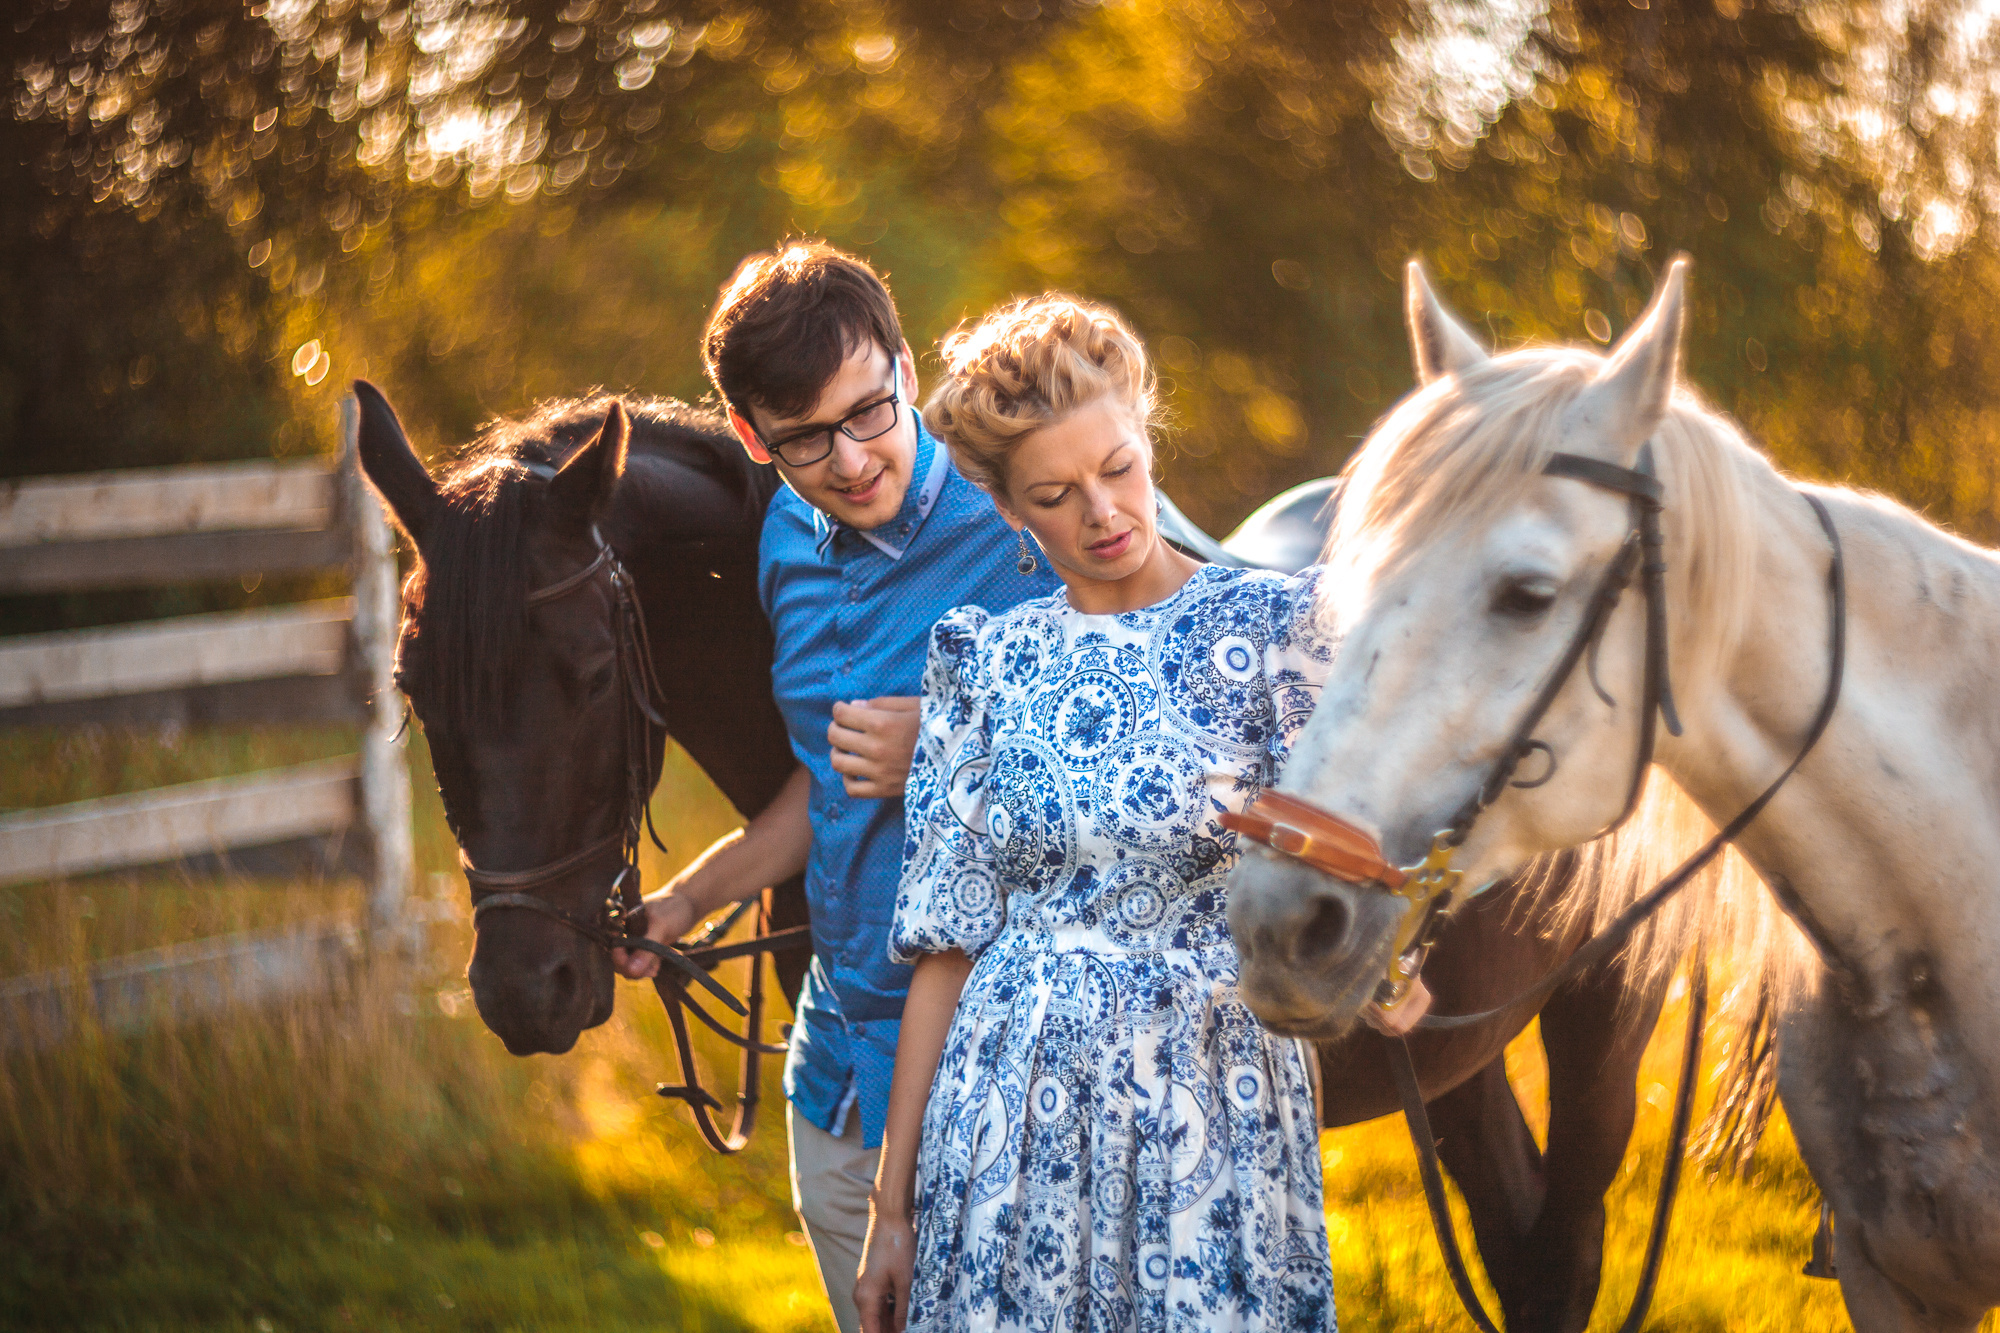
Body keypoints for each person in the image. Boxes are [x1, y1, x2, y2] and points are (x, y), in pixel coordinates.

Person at [854, 297, 1340, 1333]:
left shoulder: (1279, 630)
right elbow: (945, 946)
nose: (1103, 512)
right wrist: (889, 1211)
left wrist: (1376, 961)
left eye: (1118, 468)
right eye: (1056, 494)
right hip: (1008, 1115)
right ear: (1007, 510)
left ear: (1145, 434)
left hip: (1212, 1110)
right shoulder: (981, 660)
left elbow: (1345, 882)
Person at [613, 241, 1057, 1333]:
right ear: (755, 438)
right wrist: (689, 899)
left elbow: (1157, 751)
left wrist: (952, 740)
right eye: (805, 438)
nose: (852, 461)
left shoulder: (1027, 529)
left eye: (867, 412)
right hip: (836, 1070)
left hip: (1007, 1069)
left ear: (904, 369)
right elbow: (824, 790)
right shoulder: (782, 544)